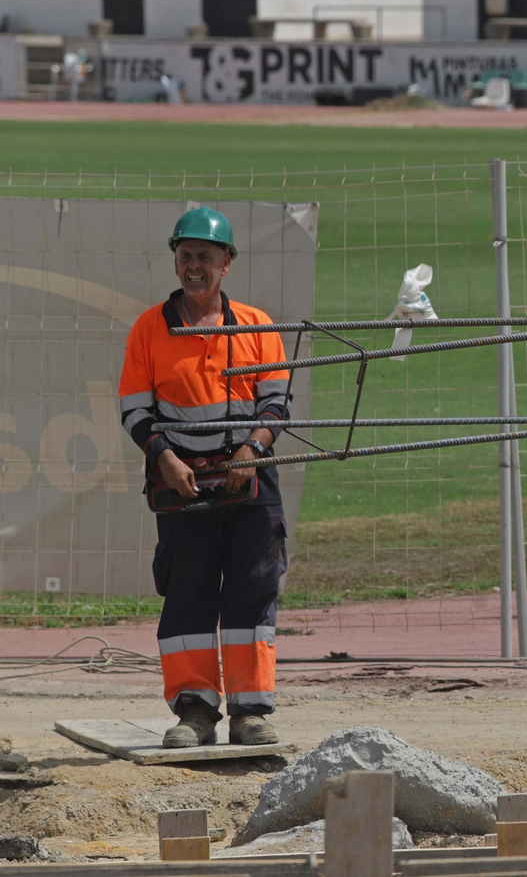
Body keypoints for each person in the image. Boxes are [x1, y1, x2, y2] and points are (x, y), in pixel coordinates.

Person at [118, 207, 292, 749]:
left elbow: (278, 406)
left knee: (251, 596)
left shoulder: (258, 326)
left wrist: (250, 452)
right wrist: (165, 458)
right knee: (188, 596)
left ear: (227, 263)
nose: (194, 266)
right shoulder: (149, 328)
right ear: (176, 259)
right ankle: (194, 712)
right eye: (185, 255)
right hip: (182, 487)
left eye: (205, 257)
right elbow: (134, 410)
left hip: (249, 484)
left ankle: (250, 712)